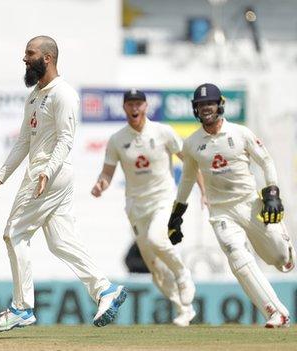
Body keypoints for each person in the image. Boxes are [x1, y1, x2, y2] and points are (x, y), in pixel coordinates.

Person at [0, 35, 127, 331]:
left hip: (49, 173)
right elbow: (22, 142)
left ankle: (21, 307)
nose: (24, 59)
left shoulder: (63, 94)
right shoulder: (34, 96)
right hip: (46, 173)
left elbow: (66, 138)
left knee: (14, 233)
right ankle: (104, 290)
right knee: (60, 241)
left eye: (29, 53)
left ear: (47, 58)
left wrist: (47, 172)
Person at [169, 83, 295, 328]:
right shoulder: (192, 143)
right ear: (195, 109)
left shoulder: (240, 133)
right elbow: (187, 179)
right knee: (236, 254)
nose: (206, 108)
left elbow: (266, 162)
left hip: (250, 204)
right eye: (201, 104)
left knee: (281, 259)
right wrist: (177, 214)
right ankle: (275, 312)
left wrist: (272, 194)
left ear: (220, 105)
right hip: (221, 210)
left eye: (210, 103)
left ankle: (285, 248)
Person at [91, 89, 202, 327]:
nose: (134, 108)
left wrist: (204, 190)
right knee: (155, 269)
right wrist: (101, 184)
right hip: (136, 206)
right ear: (124, 108)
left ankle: (183, 274)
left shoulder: (163, 132)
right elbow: (107, 172)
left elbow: (189, 162)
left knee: (157, 239)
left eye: (138, 103)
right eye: (130, 104)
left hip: (163, 199)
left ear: (146, 106)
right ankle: (184, 308)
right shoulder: (117, 139)